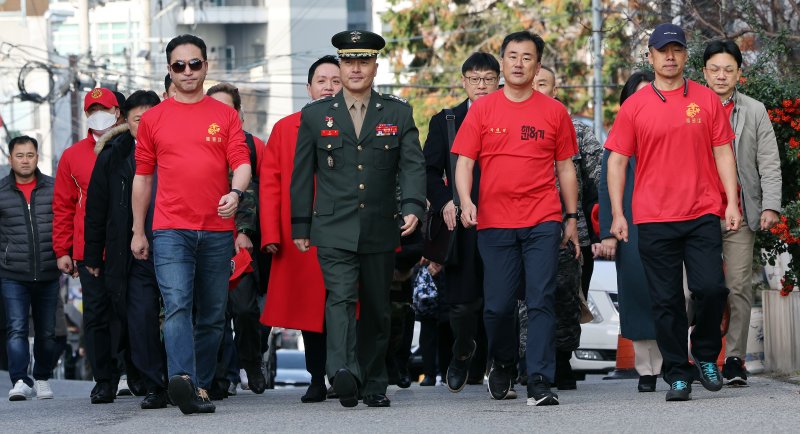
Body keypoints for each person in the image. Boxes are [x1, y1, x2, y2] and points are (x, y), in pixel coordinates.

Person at [290, 30, 426, 408]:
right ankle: (344, 372)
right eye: (348, 61)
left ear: (375, 67)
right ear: (340, 65)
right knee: (341, 298)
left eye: (363, 61)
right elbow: (303, 172)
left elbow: (412, 165)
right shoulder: (316, 115)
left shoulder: (398, 112)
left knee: (378, 307)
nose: (355, 68)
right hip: (333, 226)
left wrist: (413, 206)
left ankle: (374, 383)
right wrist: (300, 224)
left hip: (381, 225)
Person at [605, 23, 740, 402]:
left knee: (711, 288)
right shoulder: (635, 105)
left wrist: (731, 201)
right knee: (665, 301)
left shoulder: (706, 99)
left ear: (685, 55)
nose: (670, 56)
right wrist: (618, 213)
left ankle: (705, 353)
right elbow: (617, 162)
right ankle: (678, 373)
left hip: (701, 211)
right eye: (662, 50)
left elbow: (723, 152)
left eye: (676, 50)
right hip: (653, 216)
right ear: (650, 56)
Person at [452, 31, 580, 407]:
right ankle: (504, 360)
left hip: (542, 218)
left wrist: (570, 217)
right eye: (512, 56)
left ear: (537, 65)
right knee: (497, 305)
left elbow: (566, 169)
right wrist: (465, 200)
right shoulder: (483, 109)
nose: (519, 63)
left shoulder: (554, 111)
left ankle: (539, 379)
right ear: (503, 63)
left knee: (541, 298)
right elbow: (465, 162)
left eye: (527, 57)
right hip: (494, 222)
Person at [131, 34, 251, 415]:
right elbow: (143, 178)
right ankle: (183, 380)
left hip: (217, 230)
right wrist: (138, 229)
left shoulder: (225, 115)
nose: (187, 72)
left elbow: (242, 161)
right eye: (179, 65)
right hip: (170, 230)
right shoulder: (153, 119)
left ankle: (194, 385)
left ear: (205, 65)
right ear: (169, 69)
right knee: (178, 306)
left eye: (194, 64)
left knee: (214, 315)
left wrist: (236, 193)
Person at [260, 55, 341, 403]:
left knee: (346, 305)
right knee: (312, 310)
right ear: (308, 87)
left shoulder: (361, 122)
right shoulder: (286, 127)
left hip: (346, 228)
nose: (328, 86)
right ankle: (316, 377)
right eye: (321, 80)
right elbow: (270, 183)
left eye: (335, 80)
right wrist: (271, 234)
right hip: (302, 234)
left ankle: (343, 372)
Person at [702, 40, 782, 386]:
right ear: (704, 72)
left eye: (728, 69)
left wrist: (770, 205)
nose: (721, 76)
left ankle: (733, 358)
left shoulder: (754, 109)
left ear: (739, 73)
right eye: (715, 69)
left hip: (742, 211)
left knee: (738, 287)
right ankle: (700, 353)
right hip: (698, 211)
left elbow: (768, 160)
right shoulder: (692, 107)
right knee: (697, 290)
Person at [84, 90, 169, 409]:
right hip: (131, 251)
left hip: (175, 243)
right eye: (138, 119)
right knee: (140, 317)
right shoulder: (113, 154)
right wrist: (93, 255)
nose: (145, 124)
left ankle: (190, 378)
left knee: (181, 314)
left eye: (151, 118)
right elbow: (97, 207)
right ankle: (154, 383)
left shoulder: (175, 149)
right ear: (126, 122)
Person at [423, 52, 499, 393]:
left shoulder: (511, 115)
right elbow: (427, 170)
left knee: (500, 299)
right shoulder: (447, 120)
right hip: (462, 224)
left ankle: (497, 366)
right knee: (463, 303)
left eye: (488, 78)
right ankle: (462, 349)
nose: (481, 85)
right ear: (464, 82)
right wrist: (444, 203)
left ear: (498, 81)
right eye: (475, 78)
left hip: (505, 219)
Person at [525, 65, 602, 390]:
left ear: (555, 91)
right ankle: (528, 361)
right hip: (524, 227)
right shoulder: (511, 124)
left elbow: (598, 175)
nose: (538, 88)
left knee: (568, 298)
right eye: (534, 82)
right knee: (527, 299)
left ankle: (562, 358)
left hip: (574, 233)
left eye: (545, 84)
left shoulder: (577, 131)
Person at [53, 87, 124, 404]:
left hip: (126, 247)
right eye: (93, 109)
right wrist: (63, 250)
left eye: (104, 108)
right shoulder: (73, 155)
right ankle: (104, 380)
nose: (99, 114)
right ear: (86, 115)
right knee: (95, 316)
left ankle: (130, 373)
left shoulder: (131, 147)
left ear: (117, 112)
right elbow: (63, 206)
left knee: (128, 313)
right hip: (88, 251)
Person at [595, 70, 663, 392]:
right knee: (637, 294)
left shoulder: (672, 129)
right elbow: (606, 188)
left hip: (669, 221)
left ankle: (673, 360)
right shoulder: (618, 137)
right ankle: (646, 368)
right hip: (630, 225)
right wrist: (608, 230)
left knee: (671, 292)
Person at [206, 82, 268, 397]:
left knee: (245, 309)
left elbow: (266, 192)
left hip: (243, 242)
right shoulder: (197, 143)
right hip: (204, 239)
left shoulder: (255, 146)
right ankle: (218, 377)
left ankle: (252, 362)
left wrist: (246, 231)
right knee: (213, 311)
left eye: (226, 108)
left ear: (238, 113)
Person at [0, 136, 59, 401]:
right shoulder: (1, 191)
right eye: (20, 155)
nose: (25, 160)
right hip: (12, 273)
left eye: (30, 155)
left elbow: (63, 224)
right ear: (10, 159)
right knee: (16, 328)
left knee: (47, 332)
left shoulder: (53, 188)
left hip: (48, 270)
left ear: (38, 157)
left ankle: (43, 377)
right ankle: (21, 380)